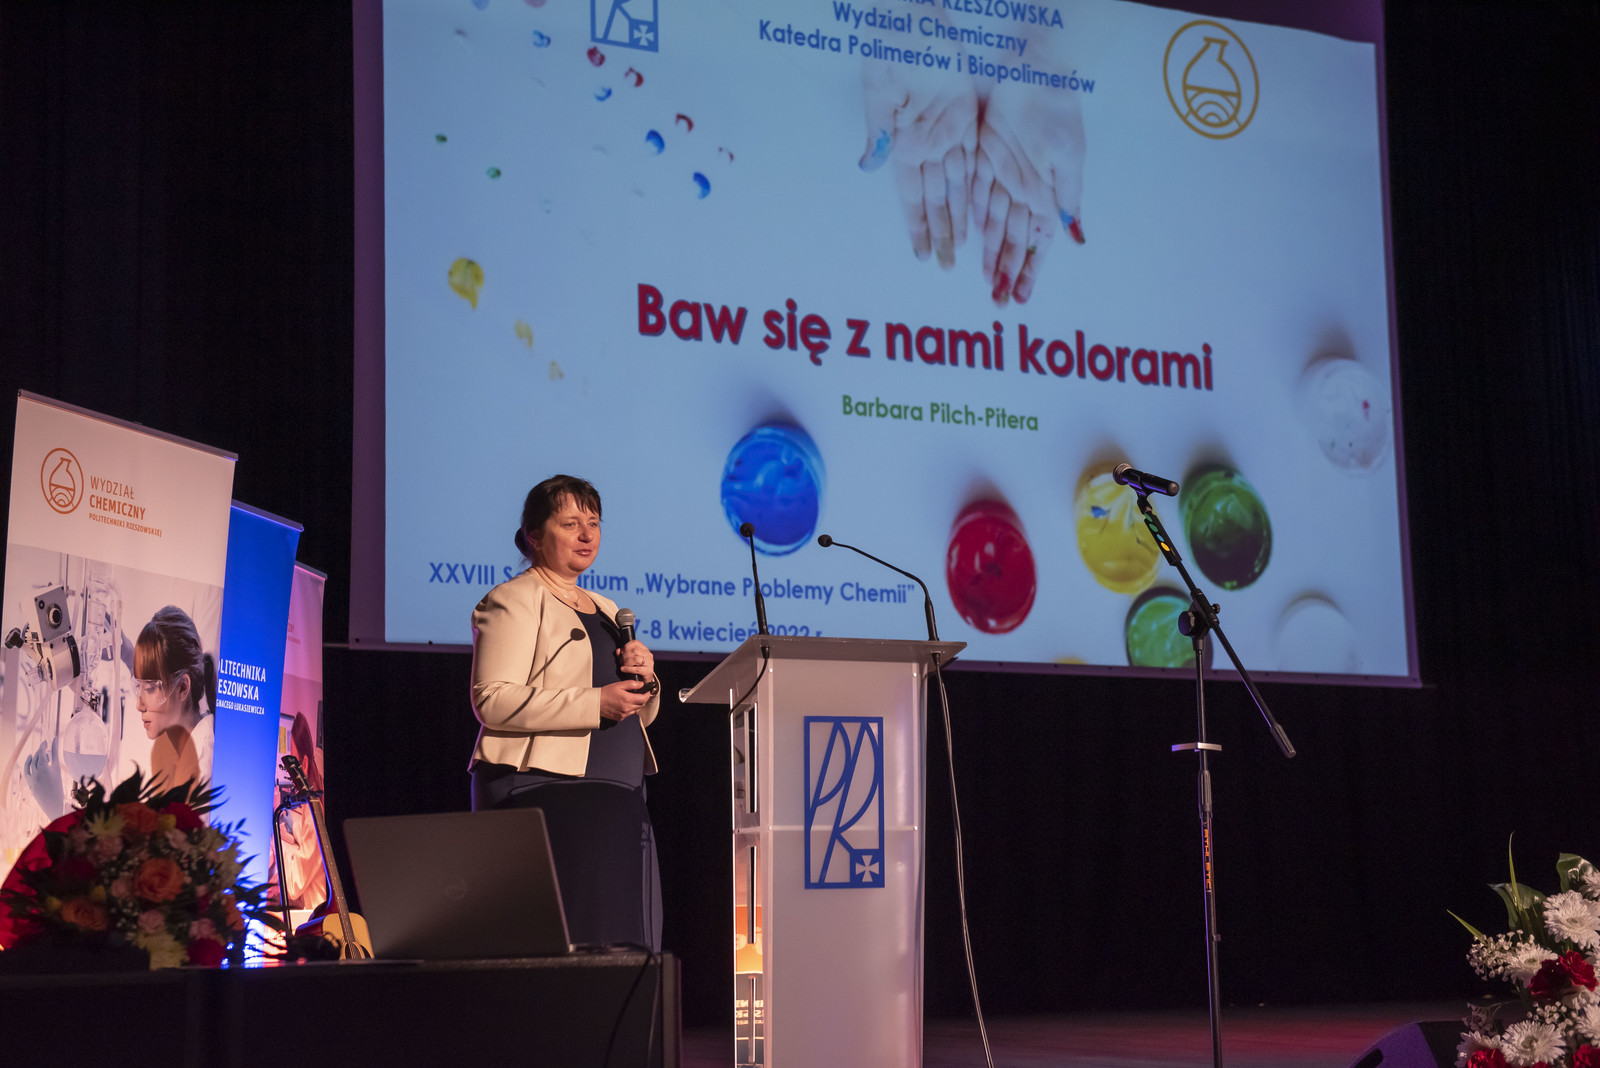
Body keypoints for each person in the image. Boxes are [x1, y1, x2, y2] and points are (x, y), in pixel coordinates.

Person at [468, 475, 664, 951]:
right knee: (566, 941)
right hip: (545, 789)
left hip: (617, 791)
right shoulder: (514, 598)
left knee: (623, 939)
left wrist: (646, 681)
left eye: (593, 523)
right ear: (535, 536)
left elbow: (636, 710)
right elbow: (491, 699)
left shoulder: (606, 607)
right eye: (570, 523)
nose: (586, 534)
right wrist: (596, 702)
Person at [134, 605, 216, 790]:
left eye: (150, 688)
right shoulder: (190, 750)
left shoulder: (201, 765)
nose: (139, 705)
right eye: (138, 687)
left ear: (183, 687)